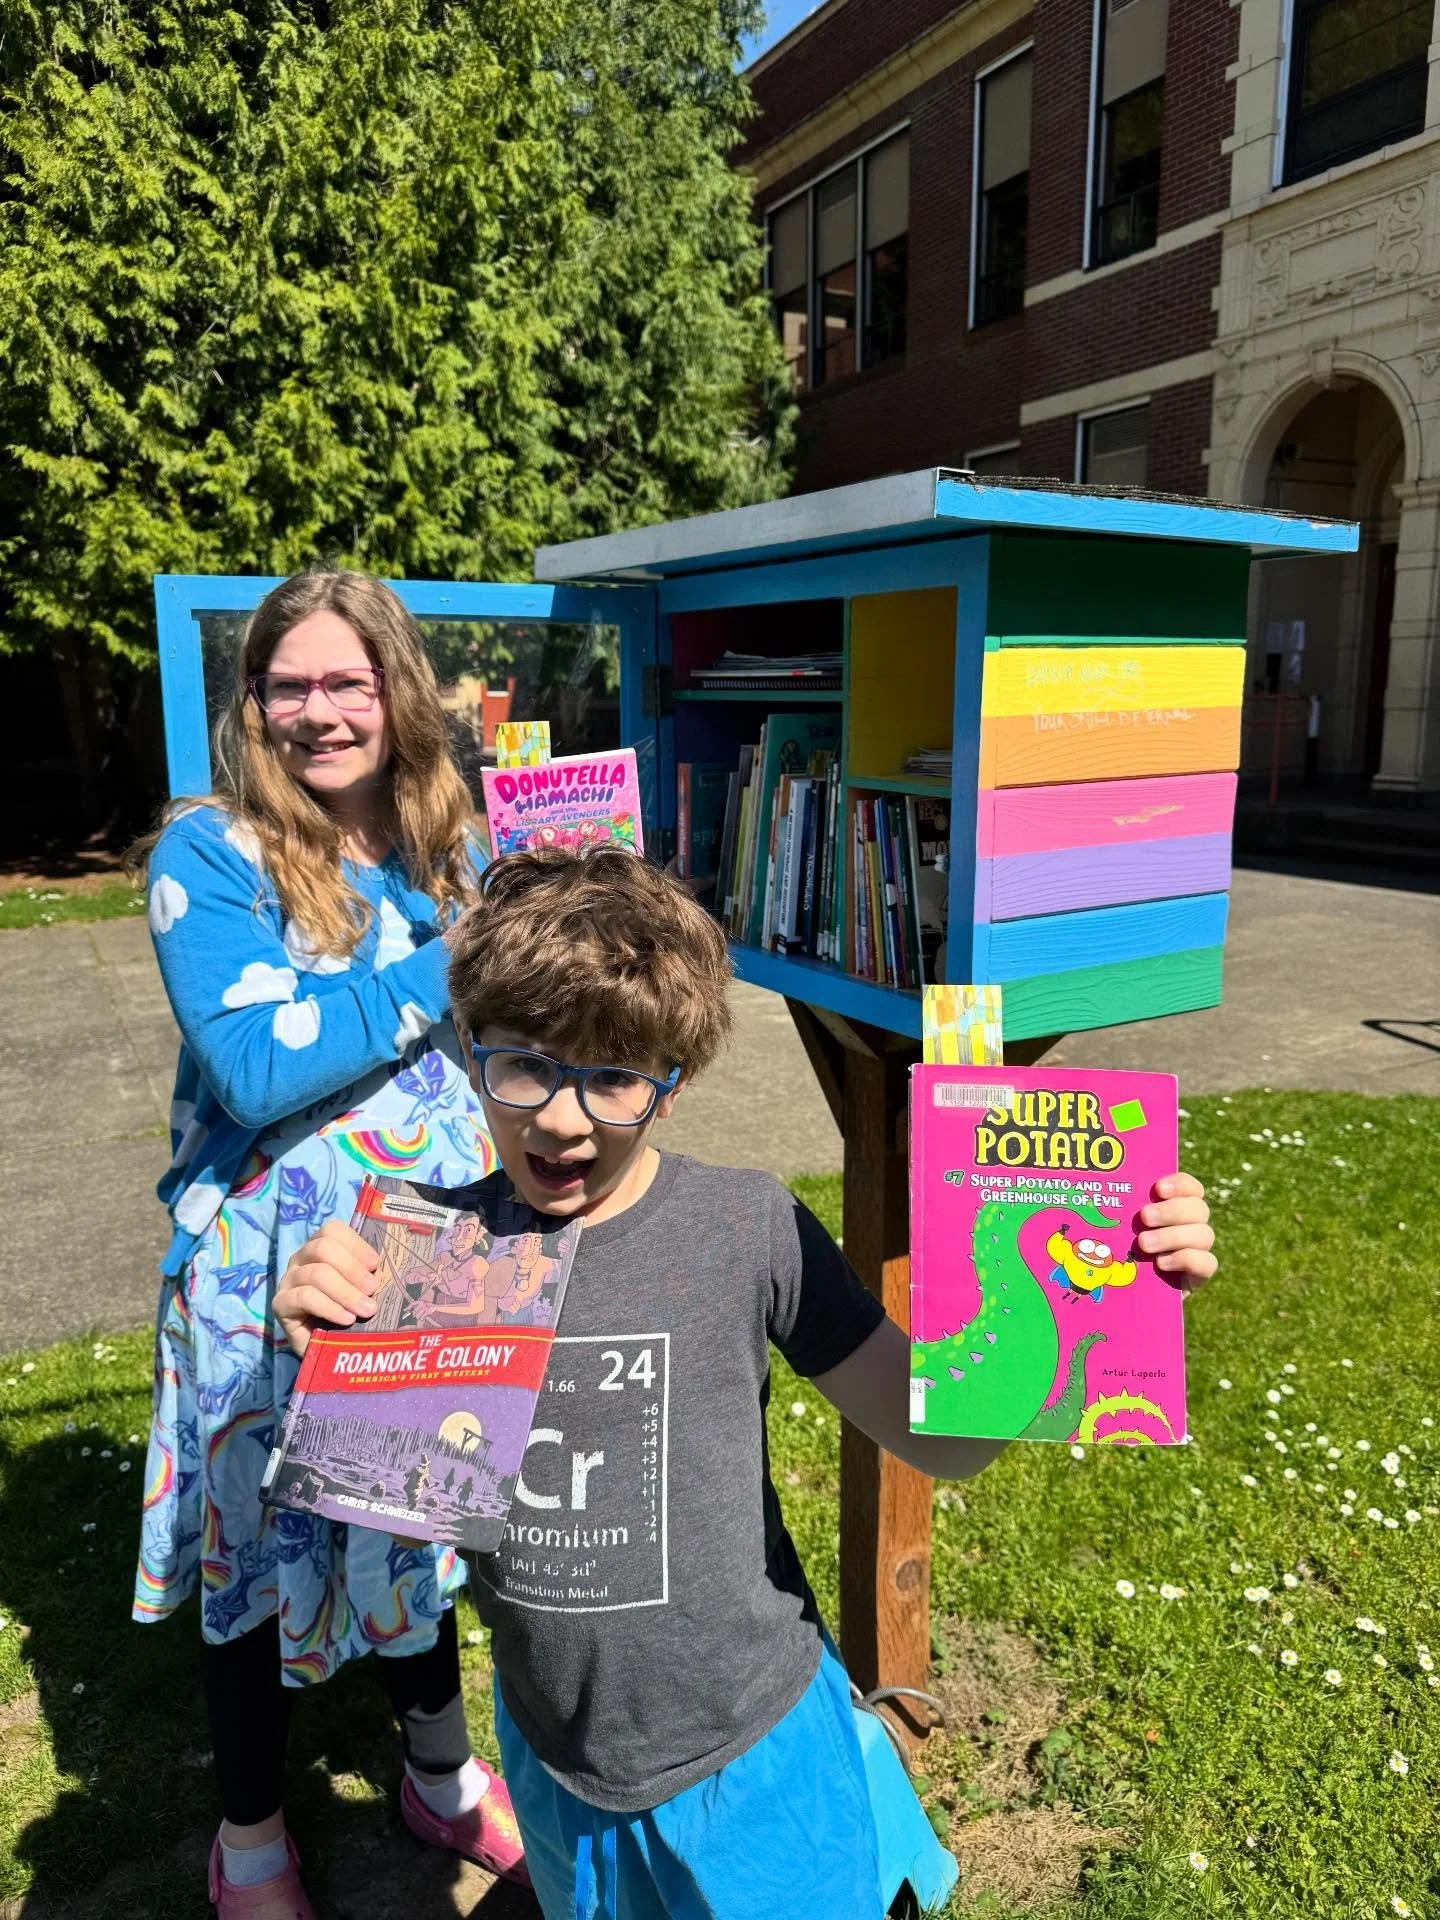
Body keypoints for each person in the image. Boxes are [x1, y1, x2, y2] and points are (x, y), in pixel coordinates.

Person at [275, 850, 1218, 1920]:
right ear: (467, 1051)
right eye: (523, 1064)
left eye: (614, 1074)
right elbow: (378, 1503)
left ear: (670, 1085)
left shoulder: (746, 1227)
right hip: (554, 1761)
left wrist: (1114, 1292)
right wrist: (325, 1328)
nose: (561, 1118)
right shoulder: (431, 1252)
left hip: (755, 1765)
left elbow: (944, 1439)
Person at [129, 571, 528, 1919]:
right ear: (251, 703)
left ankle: (441, 1778)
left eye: (345, 682)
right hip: (264, 1271)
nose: (317, 711)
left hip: (434, 1233)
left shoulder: (446, 841)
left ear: (393, 691)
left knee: (417, 1515)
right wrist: (453, 958)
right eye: (287, 684)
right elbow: (250, 1063)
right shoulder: (207, 855)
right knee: (252, 1551)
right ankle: (249, 1835)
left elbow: (490, 1031)